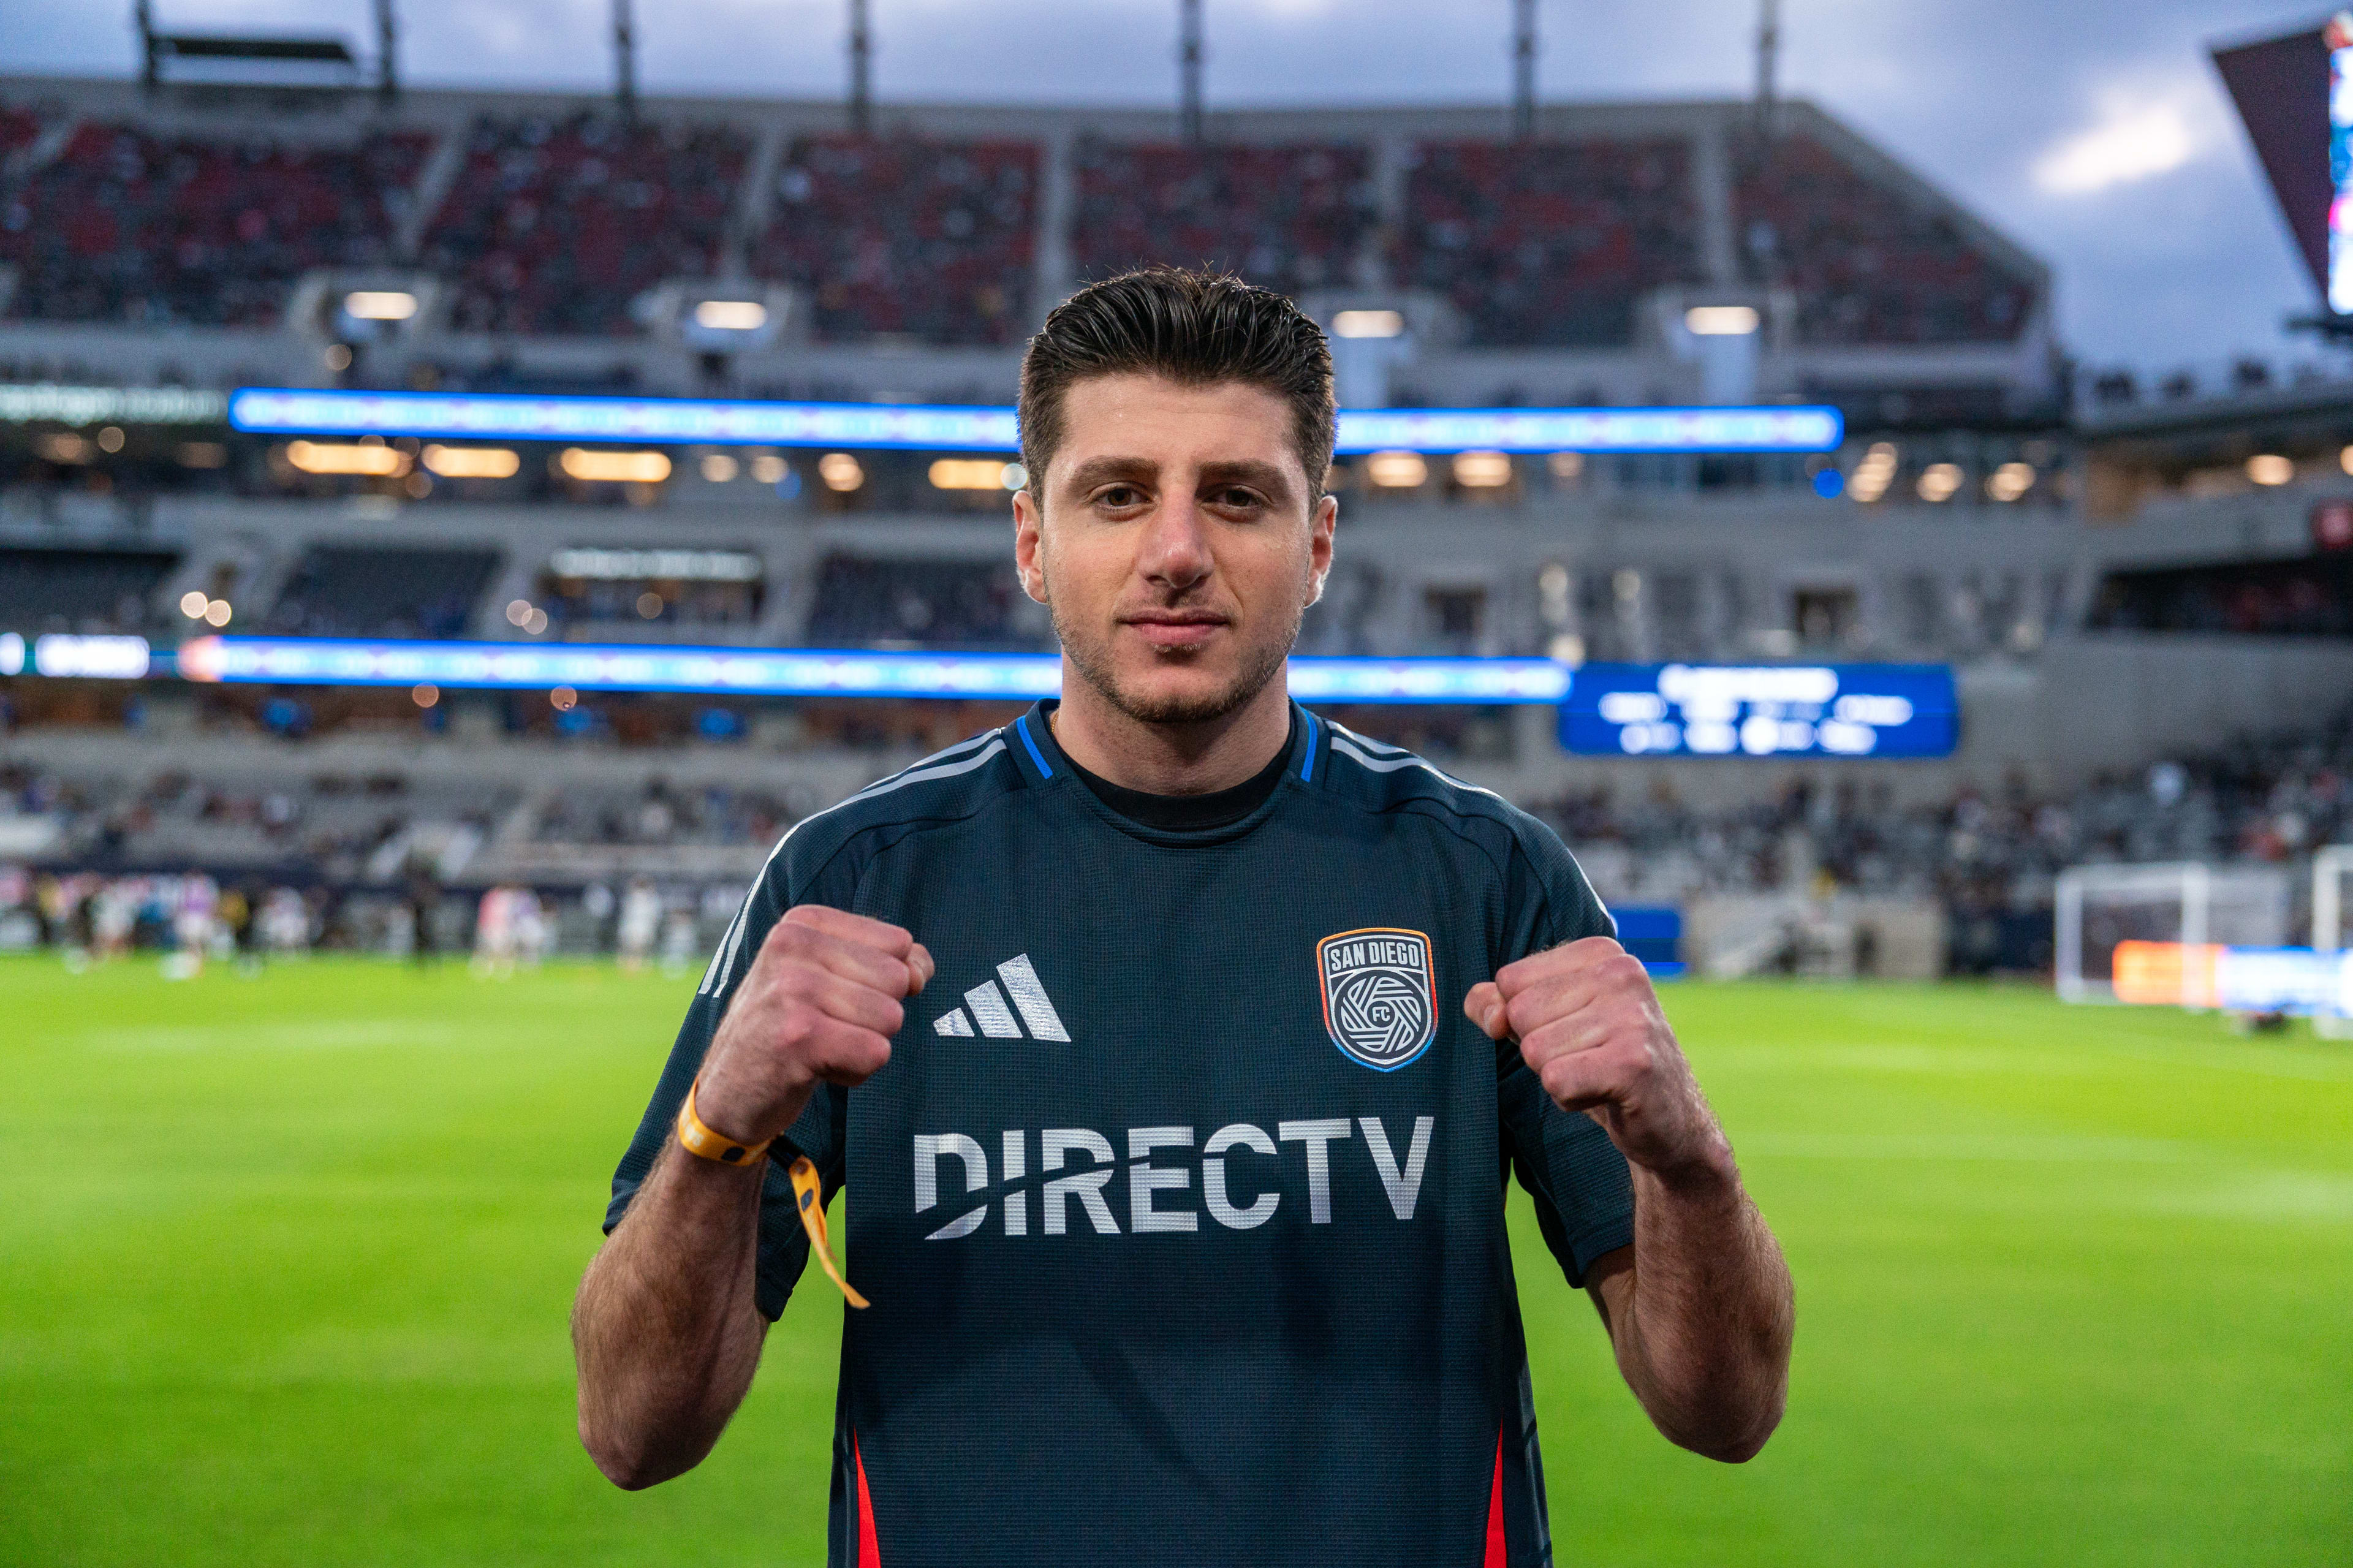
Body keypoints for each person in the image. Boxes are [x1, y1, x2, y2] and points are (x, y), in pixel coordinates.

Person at [573, 269, 1794, 1568]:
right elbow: (633, 1430)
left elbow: (1725, 1410)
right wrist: (716, 1133)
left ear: (1318, 545)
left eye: (1237, 496)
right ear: (1031, 540)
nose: (1175, 550)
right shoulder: (855, 879)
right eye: (1116, 493)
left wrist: (1690, 1163)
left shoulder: (1485, 876)